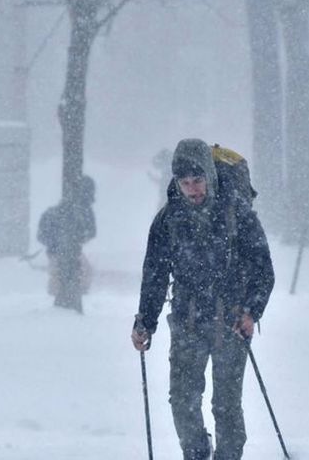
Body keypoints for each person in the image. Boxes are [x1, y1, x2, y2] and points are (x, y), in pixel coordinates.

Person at [131, 138, 275, 460]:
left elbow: (264, 269)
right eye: (185, 183)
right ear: (176, 183)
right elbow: (154, 275)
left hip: (231, 322)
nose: (193, 189)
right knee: (182, 400)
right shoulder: (168, 220)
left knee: (225, 404)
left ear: (209, 176)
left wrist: (252, 312)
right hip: (187, 322)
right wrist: (145, 322)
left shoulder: (237, 213)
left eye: (197, 181)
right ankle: (196, 453)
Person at [37, 175, 96, 312]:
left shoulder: (62, 211)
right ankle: (62, 299)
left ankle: (62, 297)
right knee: (62, 272)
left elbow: (43, 236)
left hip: (60, 249)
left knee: (61, 272)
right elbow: (90, 231)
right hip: (63, 249)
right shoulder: (80, 210)